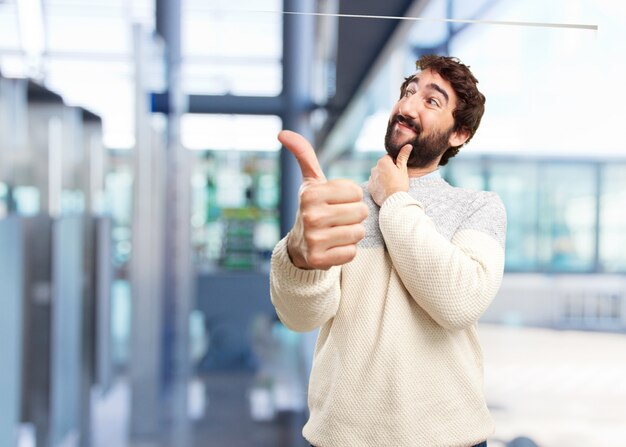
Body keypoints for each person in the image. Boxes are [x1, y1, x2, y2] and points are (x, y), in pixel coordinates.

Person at [270, 55, 506, 447]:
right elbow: (300, 317)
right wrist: (297, 256)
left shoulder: (478, 207)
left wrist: (395, 200)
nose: (408, 106)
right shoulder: (343, 204)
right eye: (408, 92)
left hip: (451, 440)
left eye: (432, 101)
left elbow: (459, 301)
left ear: (459, 134)